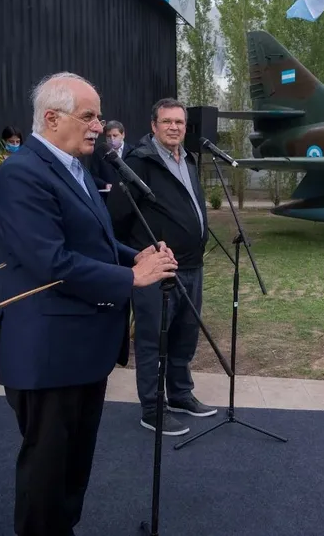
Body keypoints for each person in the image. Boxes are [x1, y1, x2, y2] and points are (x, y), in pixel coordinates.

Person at [0, 72, 177, 536]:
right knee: (46, 481)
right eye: (88, 116)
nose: (98, 126)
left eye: (99, 116)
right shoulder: (20, 175)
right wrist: (131, 276)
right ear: (51, 118)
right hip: (48, 354)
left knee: (71, 474)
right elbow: (52, 260)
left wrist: (136, 255)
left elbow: (95, 243)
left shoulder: (75, 168)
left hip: (83, 351)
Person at [107, 99, 215, 436]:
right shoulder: (140, 163)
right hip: (158, 269)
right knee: (153, 339)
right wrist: (139, 254)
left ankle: (180, 394)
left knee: (185, 335)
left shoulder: (189, 160)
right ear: (153, 125)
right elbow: (117, 217)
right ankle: (153, 409)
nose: (174, 128)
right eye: (167, 122)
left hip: (192, 266)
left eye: (179, 122)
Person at [89, 120, 131, 193]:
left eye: (115, 135)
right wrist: (104, 184)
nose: (112, 139)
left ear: (123, 135)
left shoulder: (132, 151)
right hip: (107, 196)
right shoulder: (99, 152)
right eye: (109, 136)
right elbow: (92, 176)